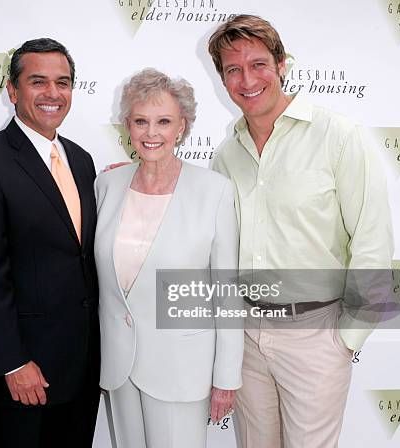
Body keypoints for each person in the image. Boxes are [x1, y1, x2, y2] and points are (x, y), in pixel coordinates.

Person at [207, 15, 393, 448]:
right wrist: (143, 178)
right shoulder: (226, 154)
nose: (246, 79)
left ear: (282, 64)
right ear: (222, 78)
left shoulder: (340, 137)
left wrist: (345, 341)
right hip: (247, 338)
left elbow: (373, 242)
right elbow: (207, 235)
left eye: (258, 64)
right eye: (233, 69)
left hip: (316, 335)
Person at [0, 37, 100, 448]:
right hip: (21, 374)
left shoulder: (82, 160)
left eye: (63, 82)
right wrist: (11, 361)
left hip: (81, 371)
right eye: (38, 82)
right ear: (13, 91)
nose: (53, 93)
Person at [94, 68, 243, 448]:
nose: (151, 133)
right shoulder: (107, 184)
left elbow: (227, 293)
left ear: (183, 126)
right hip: (119, 367)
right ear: (127, 124)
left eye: (163, 121)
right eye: (141, 121)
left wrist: (226, 377)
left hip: (181, 369)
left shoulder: (215, 191)